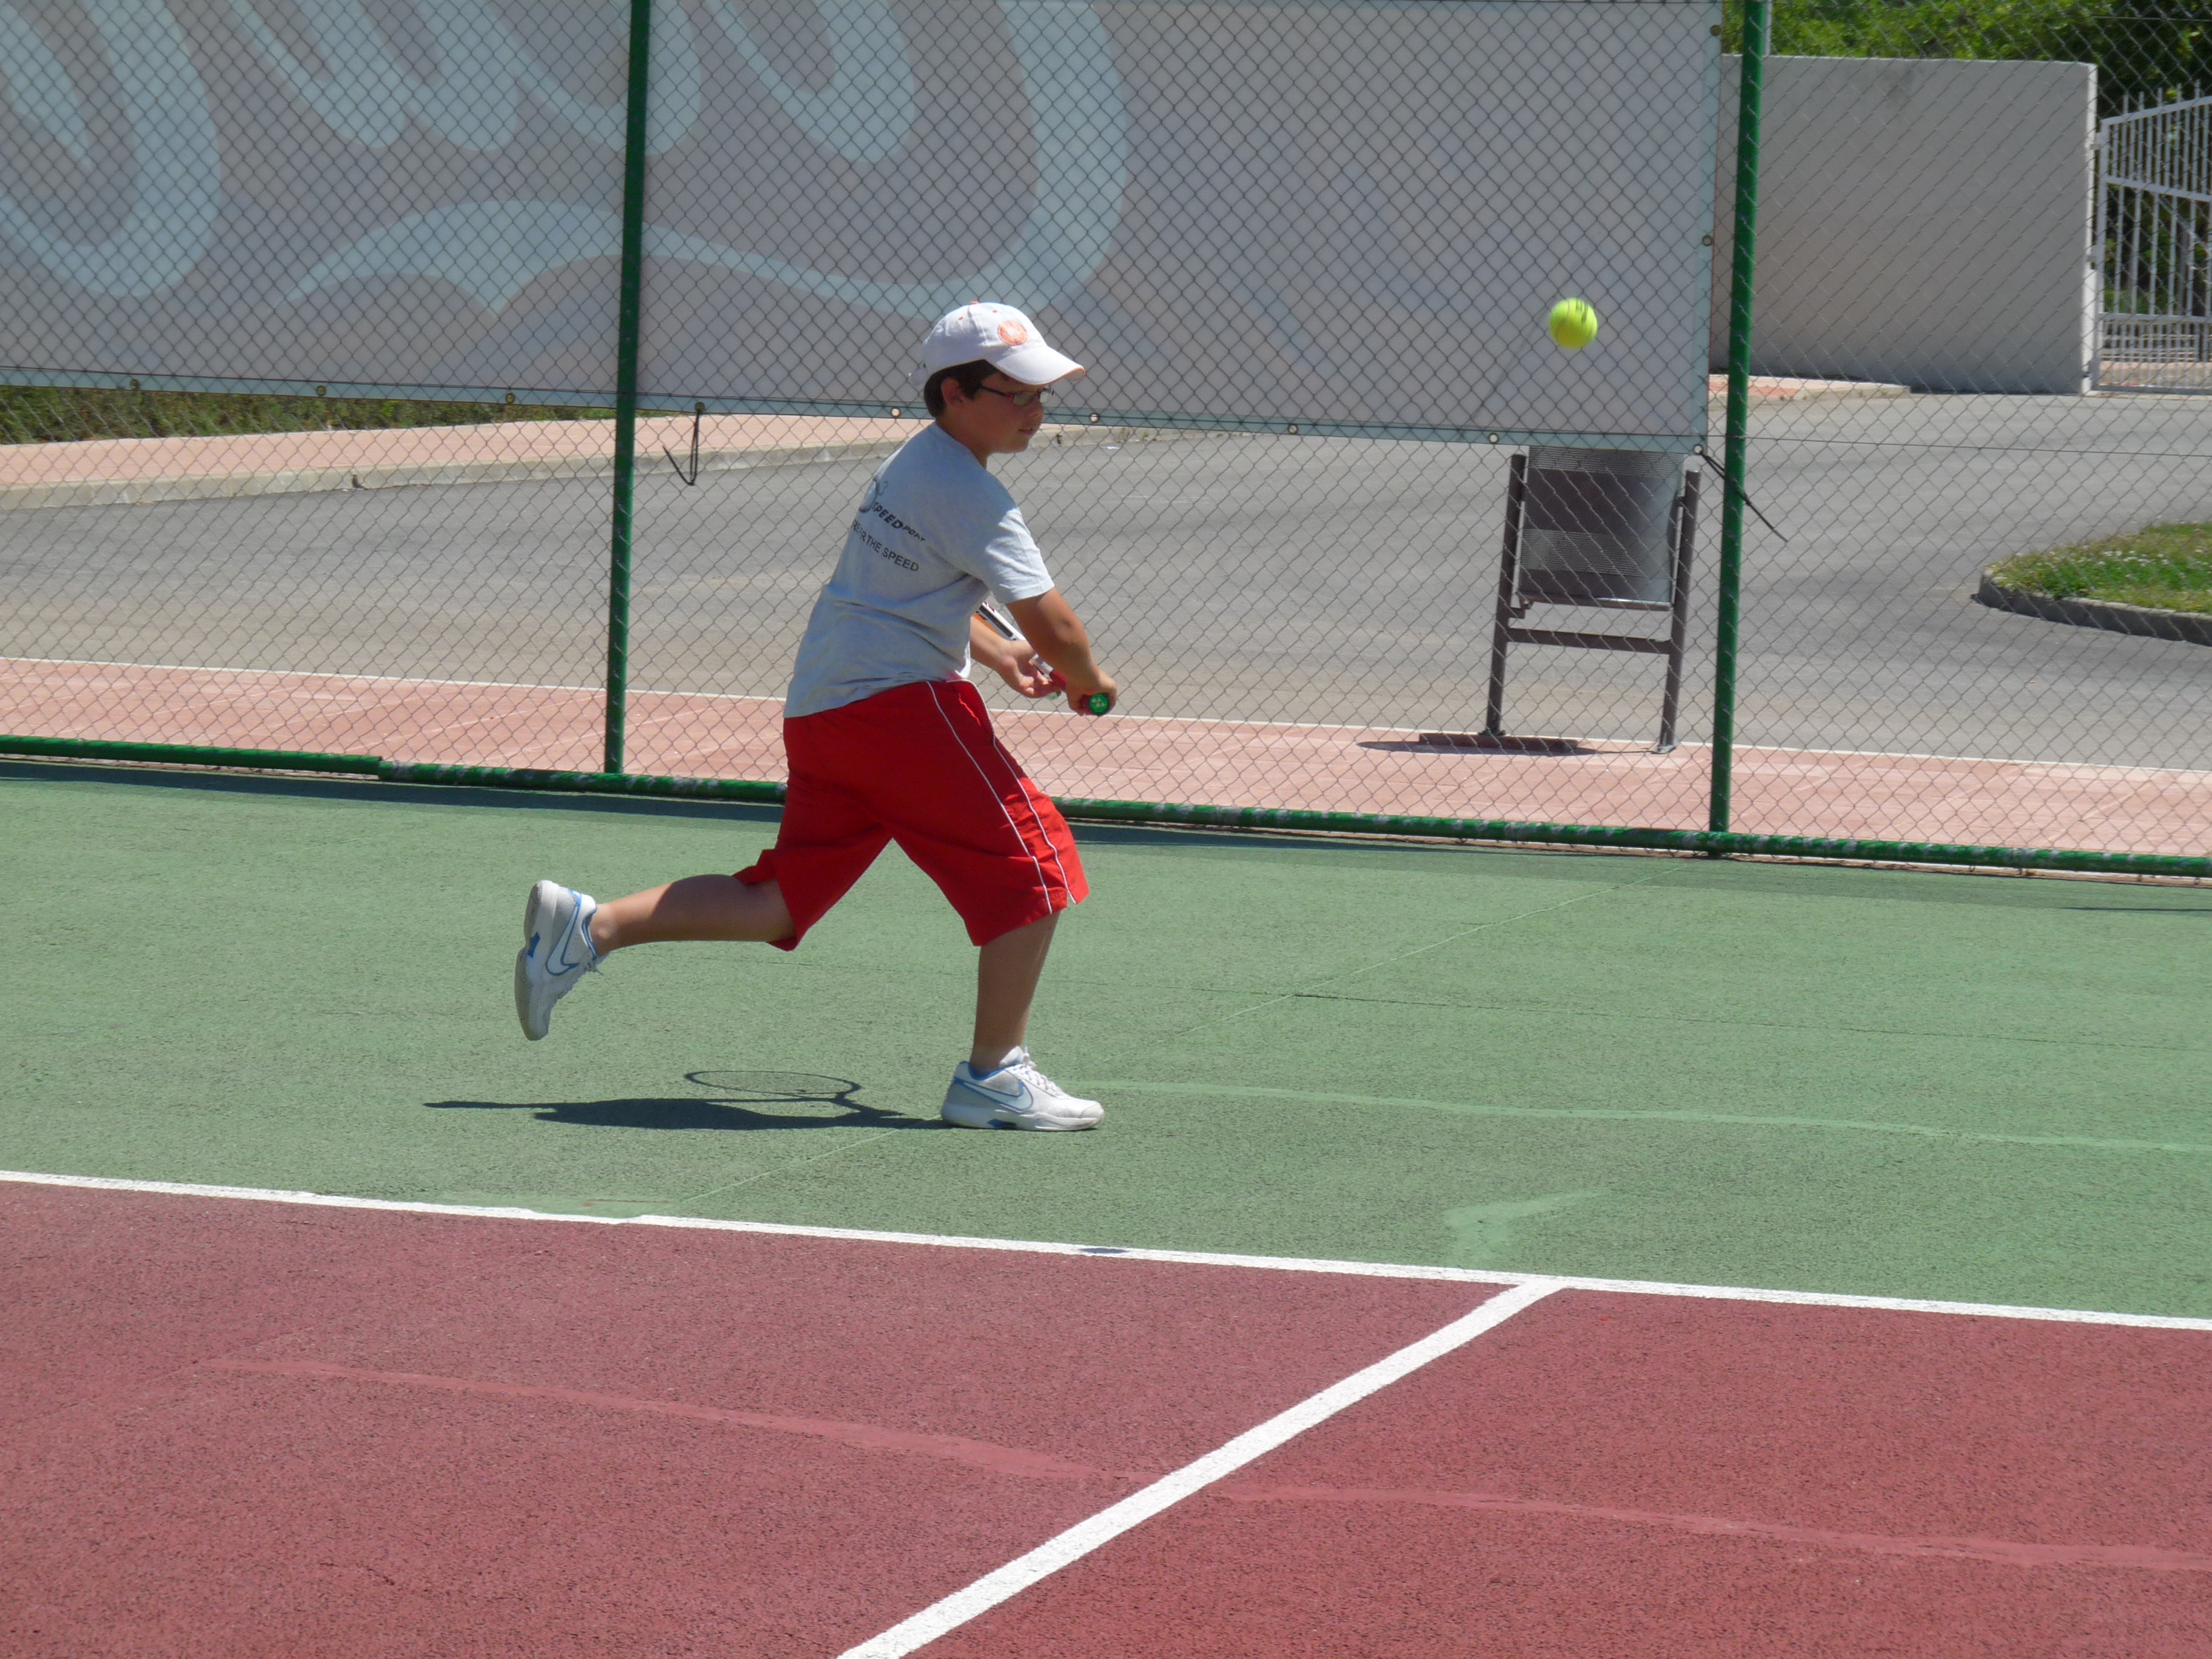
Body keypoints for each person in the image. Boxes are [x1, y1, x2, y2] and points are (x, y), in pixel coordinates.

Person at [513, 303, 1118, 1131]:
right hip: (896, 709)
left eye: (1041, 393)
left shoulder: (915, 465)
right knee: (1035, 869)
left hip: (827, 710)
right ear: (954, 392)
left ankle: (591, 926)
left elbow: (900, 592)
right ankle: (993, 1076)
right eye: (1015, 394)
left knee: (781, 899)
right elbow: (1057, 625)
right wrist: (1089, 679)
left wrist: (998, 652)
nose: (1034, 410)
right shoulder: (971, 493)